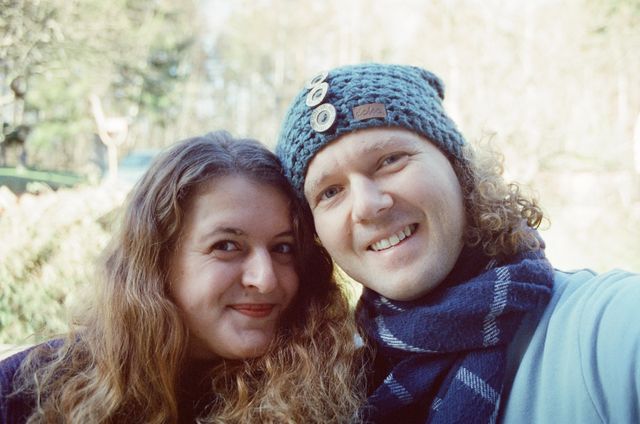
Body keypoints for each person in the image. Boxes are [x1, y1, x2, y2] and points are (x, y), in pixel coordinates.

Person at [276, 63, 640, 423]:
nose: (367, 206)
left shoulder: (600, 331)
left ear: (458, 166)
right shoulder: (329, 385)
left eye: (390, 160)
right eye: (330, 192)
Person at [0, 131, 365, 423]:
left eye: (283, 248)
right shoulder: (25, 394)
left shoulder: (336, 391)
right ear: (157, 257)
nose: (265, 279)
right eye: (227, 245)